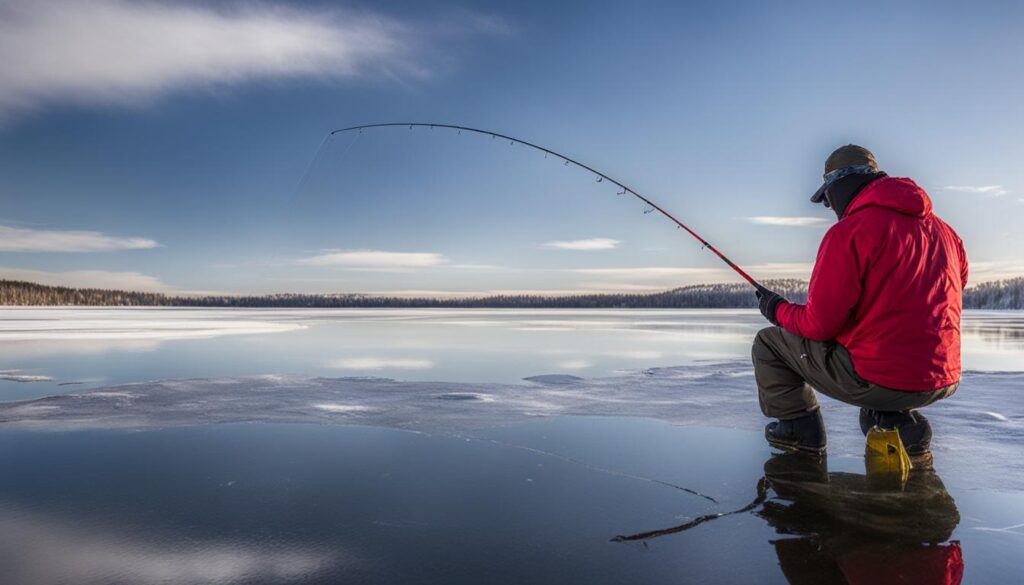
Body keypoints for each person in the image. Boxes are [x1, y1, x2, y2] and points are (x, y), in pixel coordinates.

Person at [752, 145, 967, 459]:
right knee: (872, 343)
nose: (828, 205)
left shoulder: (849, 233)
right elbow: (953, 285)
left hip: (883, 378)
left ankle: (801, 432)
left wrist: (776, 309)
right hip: (943, 377)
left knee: (769, 344)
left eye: (827, 197)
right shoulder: (946, 232)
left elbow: (819, 325)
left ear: (840, 187)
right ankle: (898, 423)